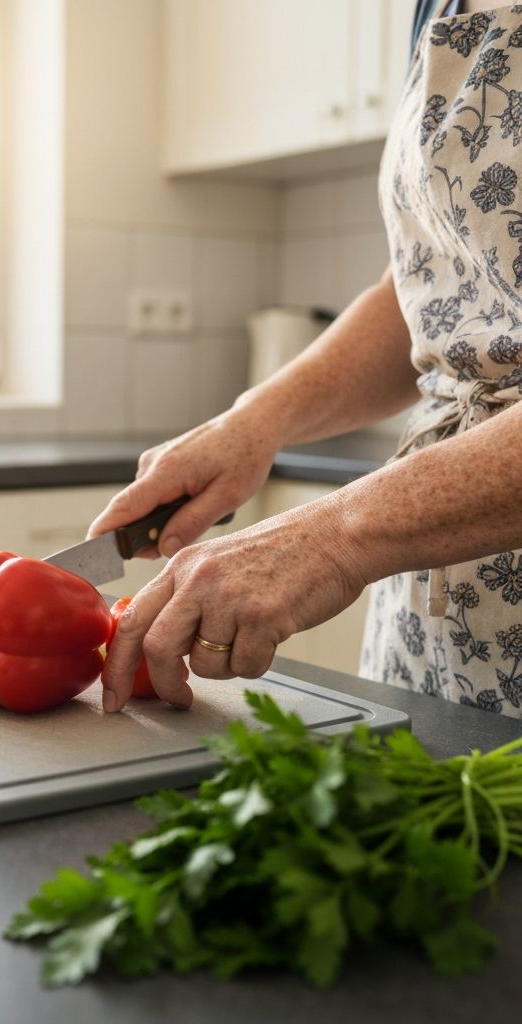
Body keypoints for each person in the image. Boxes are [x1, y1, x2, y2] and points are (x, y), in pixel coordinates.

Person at [91, 0, 522, 720]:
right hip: (436, 624)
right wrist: (256, 421)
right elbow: (428, 288)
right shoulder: (436, 9)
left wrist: (338, 535)